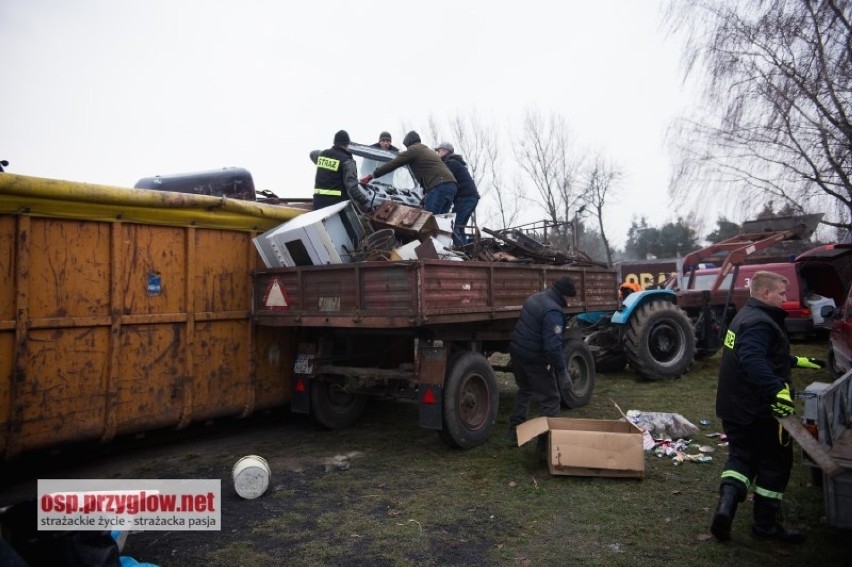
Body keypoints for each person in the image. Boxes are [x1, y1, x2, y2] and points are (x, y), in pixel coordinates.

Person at [710, 270, 825, 543]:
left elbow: (758, 353)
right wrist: (777, 391)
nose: (785, 299)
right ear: (765, 293)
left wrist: (795, 361)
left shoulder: (744, 316)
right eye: (781, 294)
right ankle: (765, 526)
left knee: (741, 458)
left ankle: (725, 508)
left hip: (733, 407)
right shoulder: (761, 322)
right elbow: (752, 359)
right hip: (758, 410)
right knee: (775, 462)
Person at [508, 276, 577, 450]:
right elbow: (553, 348)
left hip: (517, 353)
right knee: (551, 398)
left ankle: (513, 433)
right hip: (534, 359)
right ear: (564, 295)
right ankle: (544, 445)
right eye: (569, 297)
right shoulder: (554, 312)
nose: (570, 302)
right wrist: (562, 373)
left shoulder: (534, 298)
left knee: (525, 390)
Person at [360, 131, 457, 215]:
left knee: (430, 220)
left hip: (439, 186)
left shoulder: (413, 150)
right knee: (441, 221)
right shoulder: (427, 150)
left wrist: (371, 176)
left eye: (407, 147)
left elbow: (393, 164)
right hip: (451, 186)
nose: (407, 149)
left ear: (409, 143)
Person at [311, 130, 371, 212]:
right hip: (336, 206)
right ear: (347, 144)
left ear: (335, 143)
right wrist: (365, 201)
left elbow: (312, 154)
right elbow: (352, 189)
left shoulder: (322, 155)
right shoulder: (347, 161)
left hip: (318, 203)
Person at [434, 142, 479, 245]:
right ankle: (465, 248)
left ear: (445, 151)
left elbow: (444, 182)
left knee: (455, 226)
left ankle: (461, 252)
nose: (437, 153)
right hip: (470, 198)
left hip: (465, 198)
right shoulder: (456, 163)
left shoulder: (450, 163)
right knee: (460, 226)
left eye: (438, 151)